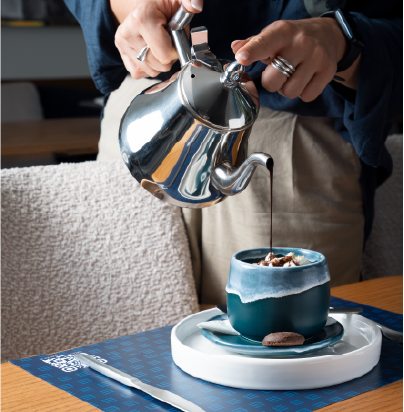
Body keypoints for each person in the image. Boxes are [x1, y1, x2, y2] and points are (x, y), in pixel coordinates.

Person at [64, 0, 402, 303]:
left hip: (297, 133)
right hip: (149, 105)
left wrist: (342, 41)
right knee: (119, 326)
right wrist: (124, 5)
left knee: (285, 339)